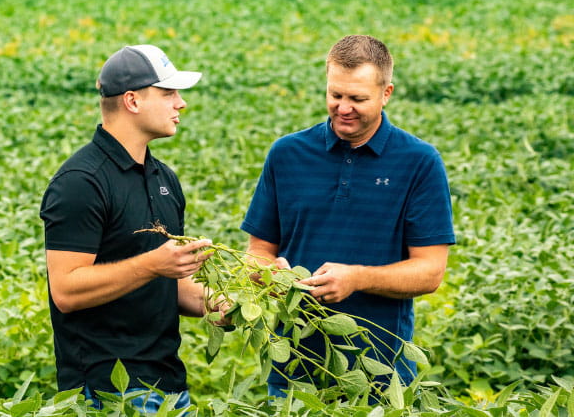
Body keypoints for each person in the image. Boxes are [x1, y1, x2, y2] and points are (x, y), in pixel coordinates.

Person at [240, 35, 455, 398]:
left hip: (382, 377)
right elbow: (258, 249)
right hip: (293, 373)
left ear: (386, 93)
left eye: (357, 99)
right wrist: (264, 272)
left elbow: (430, 270)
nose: (343, 108)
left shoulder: (419, 162)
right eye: (335, 95)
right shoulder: (287, 154)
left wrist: (357, 278)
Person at [39, 44, 228, 412]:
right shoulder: (80, 182)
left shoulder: (163, 178)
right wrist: (152, 264)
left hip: (170, 387)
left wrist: (229, 304)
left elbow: (168, 285)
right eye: (168, 93)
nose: (181, 104)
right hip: (106, 392)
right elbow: (65, 290)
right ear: (132, 101)